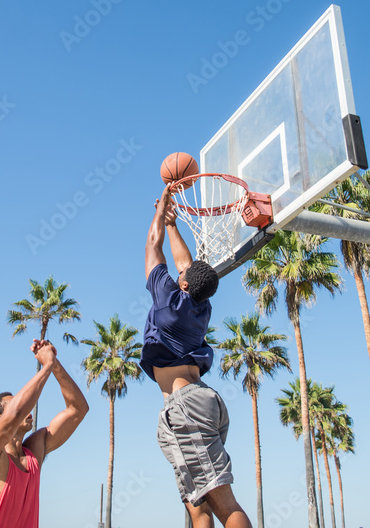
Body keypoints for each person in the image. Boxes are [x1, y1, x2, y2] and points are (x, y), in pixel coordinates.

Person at [143, 183, 252, 528]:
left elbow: (152, 246)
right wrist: (174, 224)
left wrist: (160, 213)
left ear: (185, 284)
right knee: (196, 504)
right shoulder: (199, 306)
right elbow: (185, 262)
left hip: (187, 406)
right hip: (197, 403)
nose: (180, 272)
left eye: (183, 276)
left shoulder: (171, 303)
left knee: (223, 504)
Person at [0, 339, 88, 528]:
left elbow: (77, 409)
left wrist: (54, 363)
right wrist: (45, 365)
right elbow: (15, 414)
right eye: (14, 403)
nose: (28, 411)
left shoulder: (33, 453)